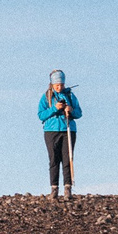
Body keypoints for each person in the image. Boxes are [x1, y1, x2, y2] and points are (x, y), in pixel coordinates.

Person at [38, 69, 81, 198]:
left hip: (68, 129)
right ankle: (54, 189)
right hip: (51, 131)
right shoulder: (46, 97)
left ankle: (68, 189)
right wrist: (54, 109)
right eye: (57, 85)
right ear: (52, 84)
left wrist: (71, 110)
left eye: (61, 84)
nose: (59, 87)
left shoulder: (70, 96)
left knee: (68, 159)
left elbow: (79, 113)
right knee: (54, 159)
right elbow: (41, 115)